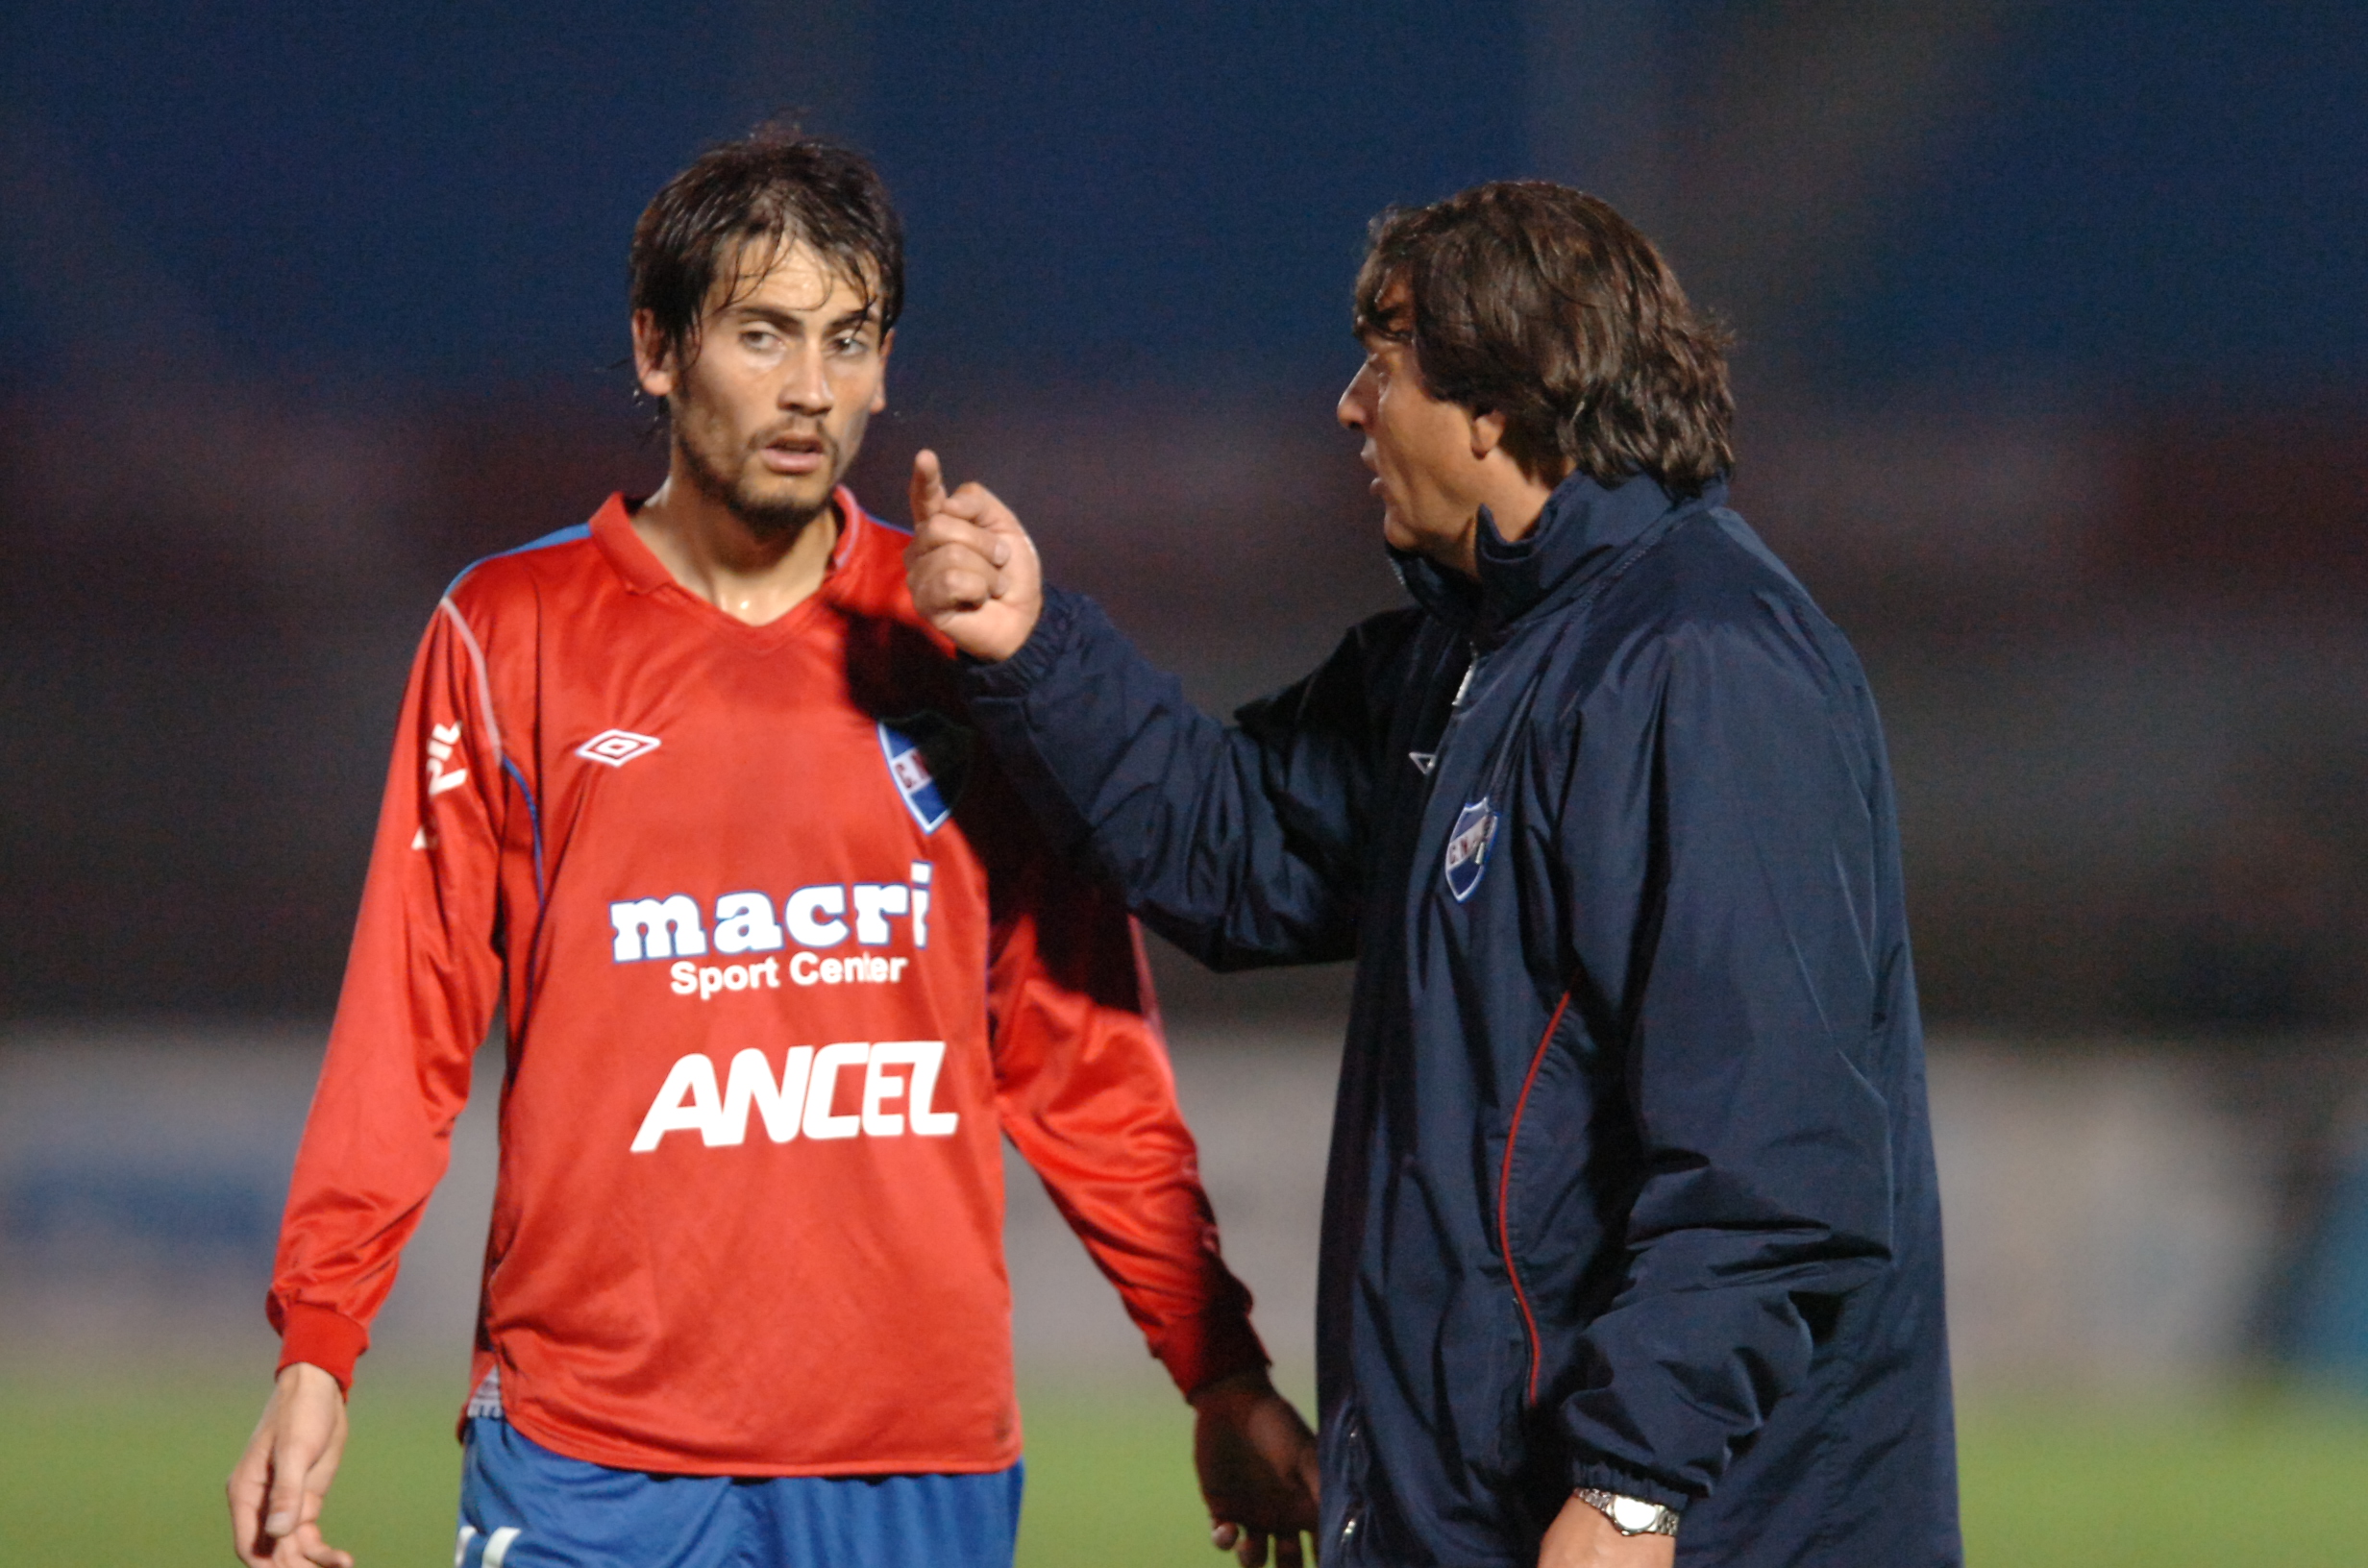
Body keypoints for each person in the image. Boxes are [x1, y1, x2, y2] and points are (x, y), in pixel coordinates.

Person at [227, 129, 1319, 1568]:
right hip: (589, 1454)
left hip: (912, 1458)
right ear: (658, 351)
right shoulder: (507, 637)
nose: (815, 388)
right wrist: (320, 1343)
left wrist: (1220, 1367)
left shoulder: (967, 641)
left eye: (851, 339)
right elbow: (403, 1034)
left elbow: (1080, 1055)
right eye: (764, 334)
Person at [905, 181, 1961, 1566]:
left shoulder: (1704, 662)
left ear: (1500, 404)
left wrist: (1638, 1482)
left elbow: (1779, 1157)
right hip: (1482, 1515)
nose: (1350, 405)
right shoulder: (1464, 663)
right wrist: (1035, 649)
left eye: (1385, 359)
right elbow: (1238, 847)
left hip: (1689, 1530)